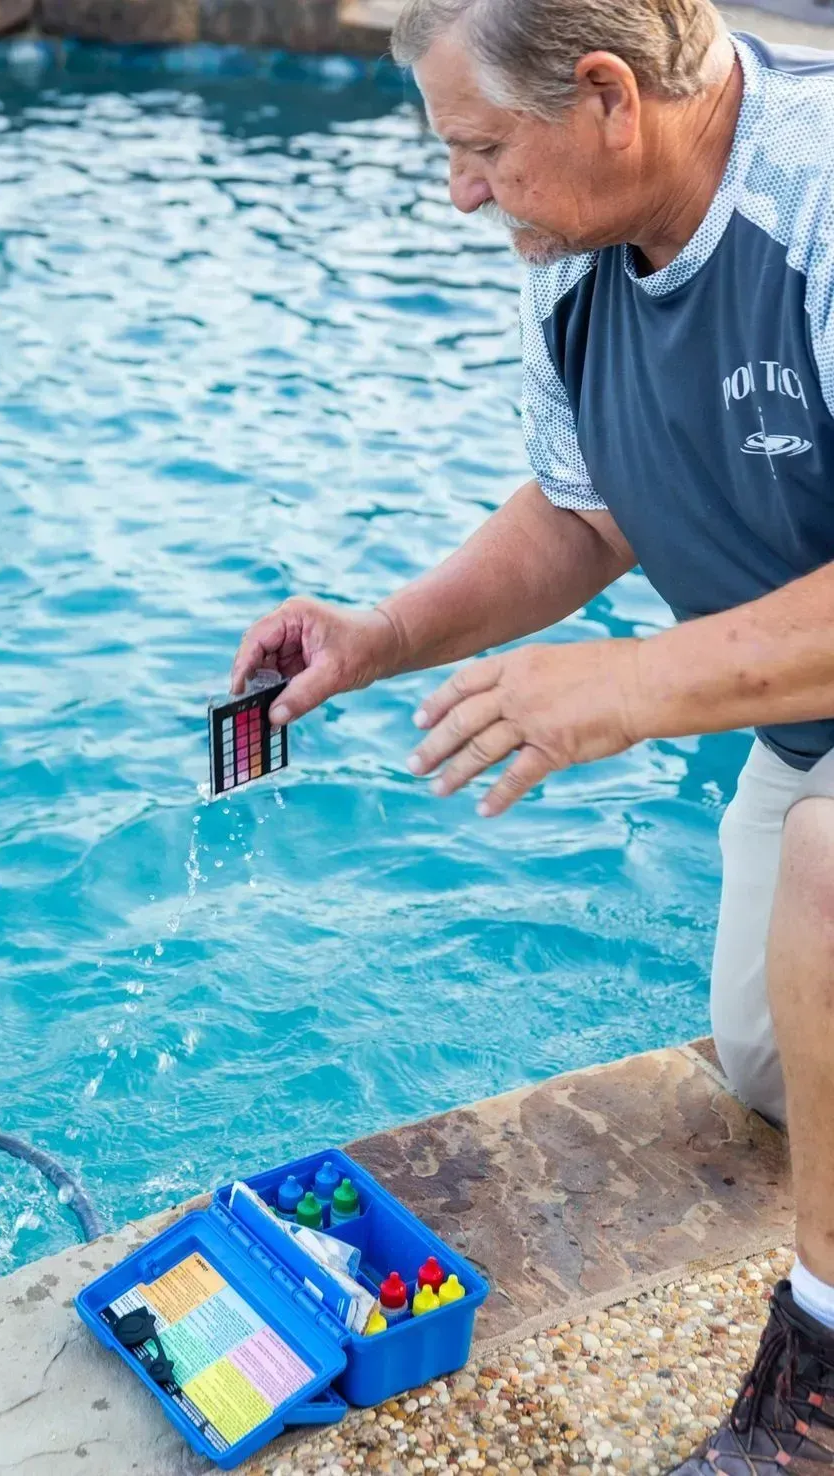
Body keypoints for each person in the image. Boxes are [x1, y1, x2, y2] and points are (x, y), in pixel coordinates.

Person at [233, 0, 834, 1466]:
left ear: (611, 98)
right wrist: (381, 639)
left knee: (830, 869)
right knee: (771, 1072)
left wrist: (631, 687)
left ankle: (821, 1373)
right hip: (805, 711)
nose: (462, 191)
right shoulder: (571, 254)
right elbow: (584, 512)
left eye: (483, 149)